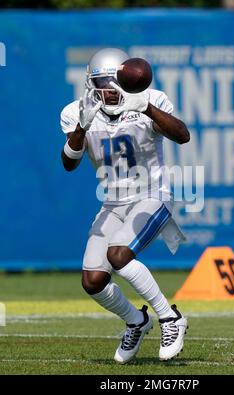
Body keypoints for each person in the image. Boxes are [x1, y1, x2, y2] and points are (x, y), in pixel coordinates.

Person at [60, 48, 190, 364]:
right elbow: (68, 163)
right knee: (92, 280)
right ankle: (136, 320)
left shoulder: (150, 98)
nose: (108, 90)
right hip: (113, 202)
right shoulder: (76, 111)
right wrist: (82, 127)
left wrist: (146, 107)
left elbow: (182, 135)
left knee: (118, 255)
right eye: (102, 83)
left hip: (152, 194)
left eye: (113, 82)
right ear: (92, 84)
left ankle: (170, 318)